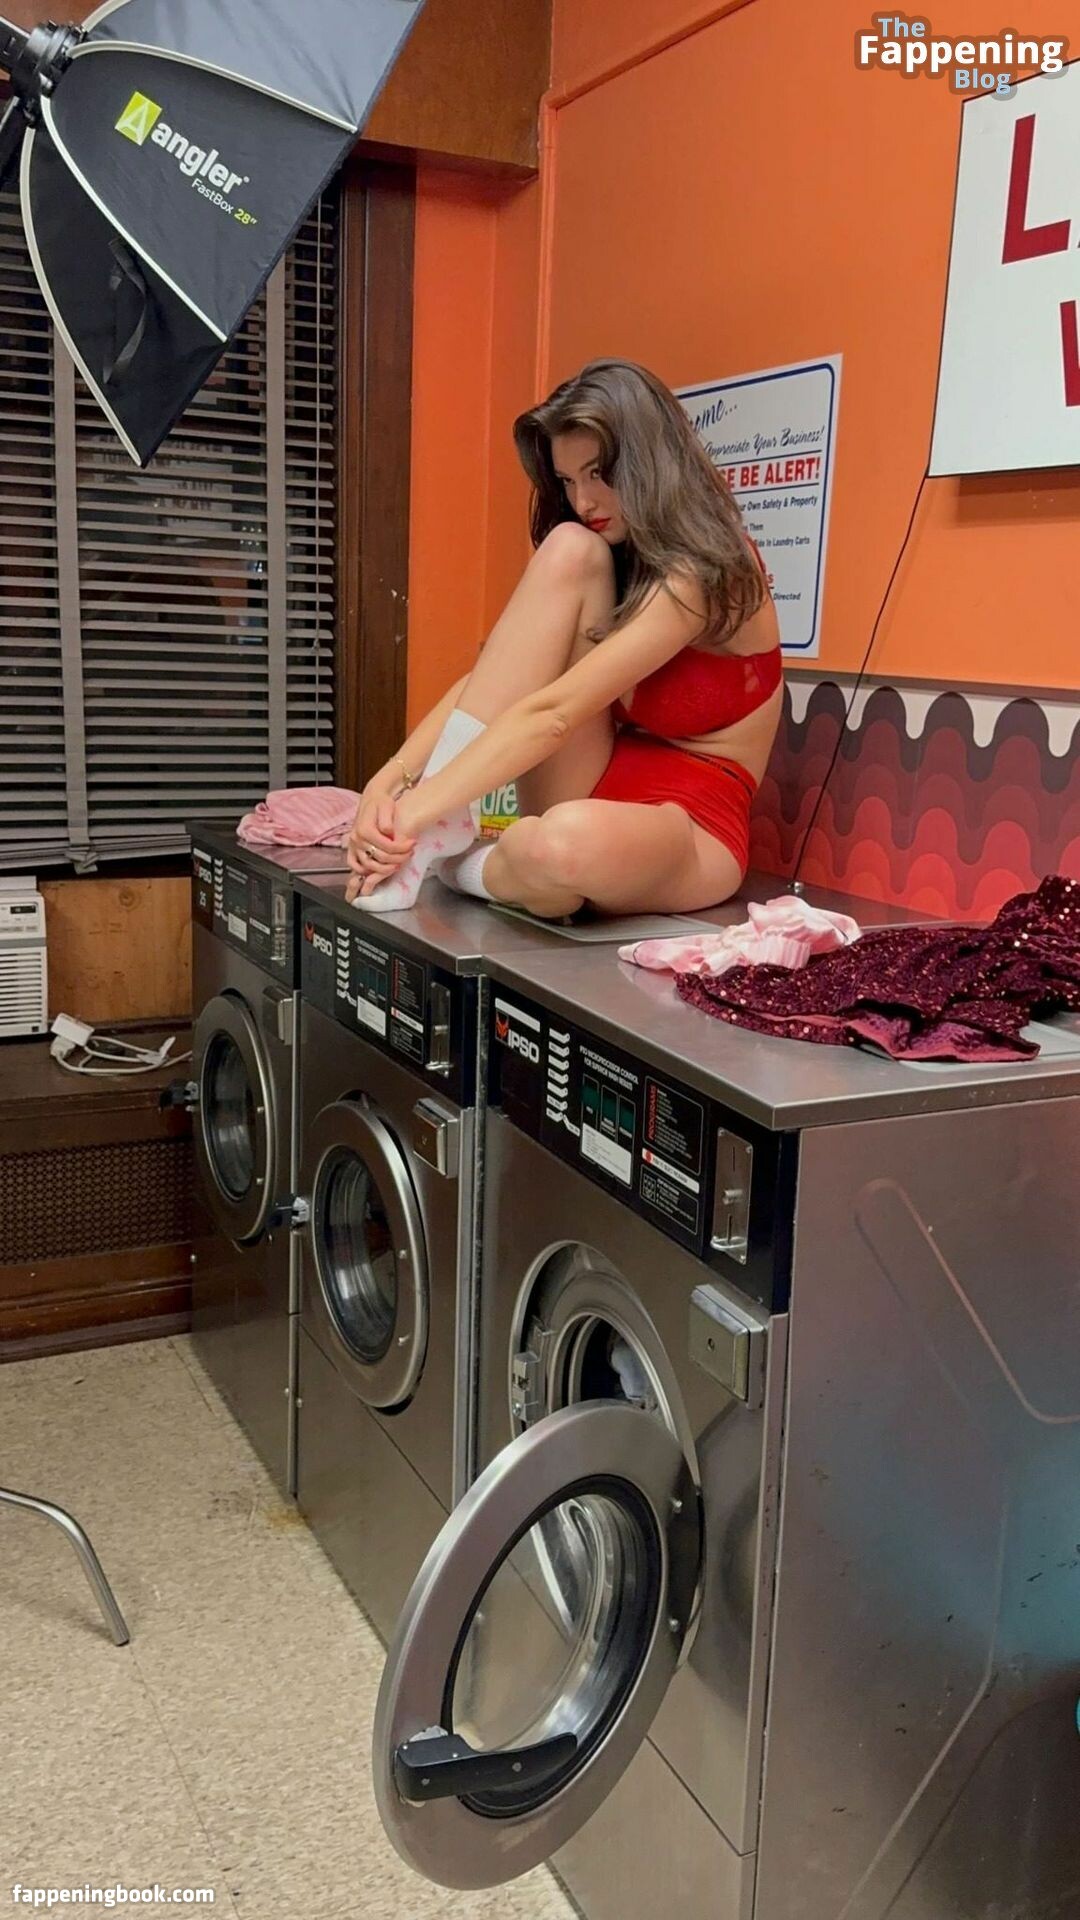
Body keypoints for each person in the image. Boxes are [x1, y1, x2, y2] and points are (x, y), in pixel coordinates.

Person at [345, 357, 783, 919]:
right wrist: (387, 786)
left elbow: (554, 713)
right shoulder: (610, 556)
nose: (584, 502)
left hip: (690, 823)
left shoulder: (712, 570)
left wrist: (414, 814)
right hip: (593, 777)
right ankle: (457, 842)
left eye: (599, 474)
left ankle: (463, 863)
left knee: (557, 846)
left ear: (651, 464)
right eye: (569, 481)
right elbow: (493, 684)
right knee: (567, 548)